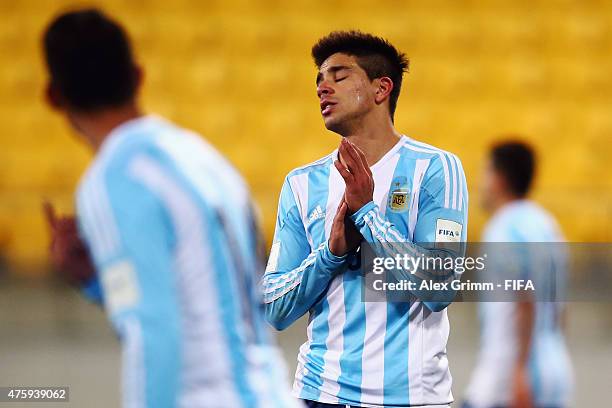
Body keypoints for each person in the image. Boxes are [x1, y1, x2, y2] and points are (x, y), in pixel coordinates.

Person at [42, 8, 298, 408]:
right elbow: (217, 298)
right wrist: (97, 280)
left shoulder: (113, 180)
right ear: (138, 76)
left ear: (53, 97)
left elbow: (154, 331)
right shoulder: (204, 158)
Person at [262, 30, 468, 408]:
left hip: (411, 399)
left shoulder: (436, 168)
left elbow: (441, 287)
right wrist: (331, 254)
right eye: (319, 80)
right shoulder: (302, 183)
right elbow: (273, 307)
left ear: (381, 89)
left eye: (339, 76)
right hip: (320, 393)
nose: (324, 87)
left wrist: (368, 215)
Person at [463, 141, 573, 408]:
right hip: (555, 365)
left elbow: (525, 296)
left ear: (499, 179)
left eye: (485, 173)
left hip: (510, 375)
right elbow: (560, 306)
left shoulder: (504, 229)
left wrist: (520, 371)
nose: (481, 183)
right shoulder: (547, 223)